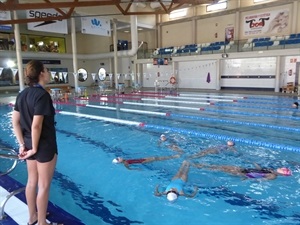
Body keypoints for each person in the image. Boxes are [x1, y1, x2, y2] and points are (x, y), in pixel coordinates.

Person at [12, 60, 63, 225]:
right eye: (47, 70)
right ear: (41, 73)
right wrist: (34, 148)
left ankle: (32, 216)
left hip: (28, 145)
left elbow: (15, 122)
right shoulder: (42, 95)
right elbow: (36, 125)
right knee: (43, 185)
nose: (48, 73)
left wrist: (22, 145)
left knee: (31, 182)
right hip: (43, 146)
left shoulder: (22, 94)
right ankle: (42, 223)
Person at [192, 162, 292, 180]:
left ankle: (202, 167)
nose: (282, 168)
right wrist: (256, 164)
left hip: (245, 174)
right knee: (223, 166)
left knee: (221, 169)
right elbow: (260, 171)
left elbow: (260, 179)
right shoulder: (271, 170)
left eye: (283, 170)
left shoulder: (273, 176)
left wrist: (245, 178)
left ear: (282, 173)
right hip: (245, 170)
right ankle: (202, 166)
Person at [112, 154, 180, 170]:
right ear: (119, 162)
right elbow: (129, 169)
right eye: (118, 159)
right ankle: (174, 157)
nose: (119, 157)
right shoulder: (125, 163)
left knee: (156, 158)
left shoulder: (125, 161)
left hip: (142, 159)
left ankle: (172, 157)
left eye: (117, 157)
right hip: (143, 161)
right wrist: (137, 169)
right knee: (156, 158)